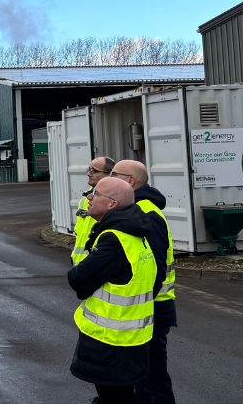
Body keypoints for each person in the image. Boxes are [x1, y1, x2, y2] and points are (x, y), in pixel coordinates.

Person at [68, 176, 161, 404]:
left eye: (96, 194)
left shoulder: (115, 239)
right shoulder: (136, 234)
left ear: (112, 204)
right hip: (133, 340)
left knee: (115, 398)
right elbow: (156, 280)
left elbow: (79, 280)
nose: (89, 197)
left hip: (110, 343)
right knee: (122, 397)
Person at [111, 160, 177, 404]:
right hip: (146, 306)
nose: (109, 178)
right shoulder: (137, 208)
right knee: (141, 378)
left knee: (153, 378)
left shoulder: (146, 213)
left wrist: (139, 303)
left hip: (152, 307)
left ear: (130, 181)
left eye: (114, 174)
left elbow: (154, 270)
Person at [74, 157, 117, 264]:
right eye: (88, 170)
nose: (88, 174)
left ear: (109, 174)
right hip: (79, 265)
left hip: (99, 265)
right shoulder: (85, 199)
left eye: (93, 171)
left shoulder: (114, 200)